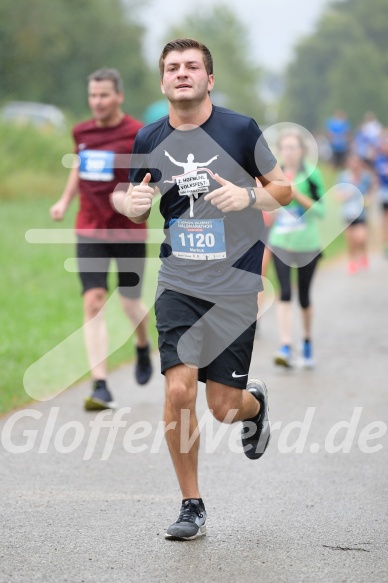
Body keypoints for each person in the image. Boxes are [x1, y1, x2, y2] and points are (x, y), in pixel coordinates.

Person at [115, 38, 291, 541]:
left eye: (193, 66)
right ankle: (191, 504)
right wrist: (134, 203)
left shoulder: (240, 130)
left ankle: (252, 404)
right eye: (173, 67)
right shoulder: (149, 135)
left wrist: (248, 194)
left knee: (223, 407)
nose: (182, 73)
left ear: (209, 79)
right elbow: (135, 201)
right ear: (164, 80)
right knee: (178, 388)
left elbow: (284, 189)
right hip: (178, 280)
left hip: (234, 283)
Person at [50, 68, 153, 411]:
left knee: (128, 302)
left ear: (119, 97)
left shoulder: (138, 132)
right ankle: (101, 384)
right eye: (92, 95)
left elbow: (148, 179)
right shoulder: (81, 131)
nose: (97, 102)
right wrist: (65, 201)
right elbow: (79, 165)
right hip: (90, 227)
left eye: (104, 95)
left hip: (128, 229)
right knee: (93, 300)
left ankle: (142, 344)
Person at [268, 129, 325, 369]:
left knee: (303, 297)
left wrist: (297, 195)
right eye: (284, 147)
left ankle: (307, 341)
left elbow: (322, 211)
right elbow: (267, 207)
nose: (288, 152)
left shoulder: (312, 175)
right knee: (284, 293)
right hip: (280, 242)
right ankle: (285, 345)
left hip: (307, 244)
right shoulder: (274, 174)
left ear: (302, 150)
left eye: (293, 147)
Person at [336, 153, 374, 274]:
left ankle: (363, 254)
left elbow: (372, 188)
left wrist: (369, 198)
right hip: (347, 213)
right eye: (351, 162)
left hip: (361, 213)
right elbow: (337, 195)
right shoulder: (343, 177)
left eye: (356, 162)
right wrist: (347, 193)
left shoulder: (365, 176)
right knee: (351, 240)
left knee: (361, 238)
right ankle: (352, 261)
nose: (354, 165)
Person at [374, 128, 388, 257]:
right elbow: (377, 177)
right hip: (384, 191)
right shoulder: (379, 159)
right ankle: (385, 245)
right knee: (384, 219)